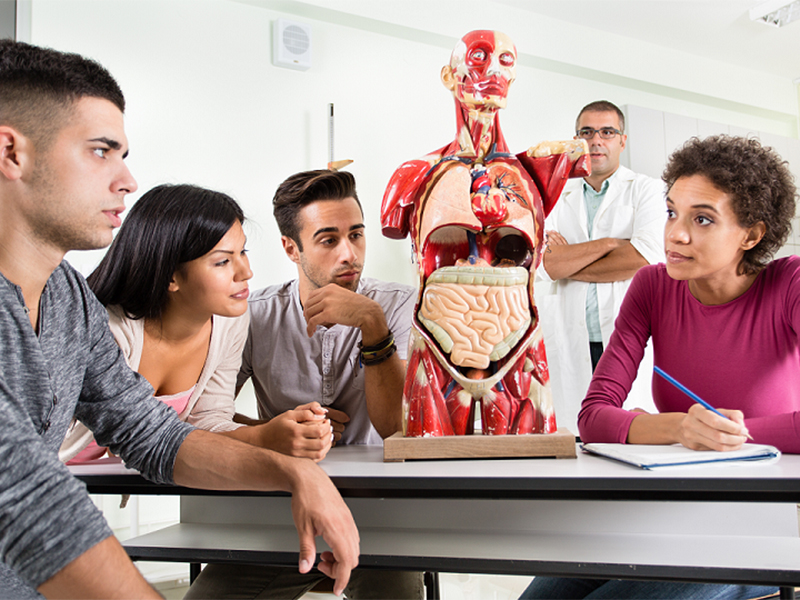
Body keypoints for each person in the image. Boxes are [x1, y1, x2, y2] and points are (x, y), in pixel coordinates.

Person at [0, 39, 358, 598]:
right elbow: (20, 493)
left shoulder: (69, 299)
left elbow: (149, 431)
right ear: (11, 152)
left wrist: (294, 471)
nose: (127, 180)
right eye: (102, 151)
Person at [521, 134, 794, 599]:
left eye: (703, 219)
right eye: (671, 212)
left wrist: (732, 436)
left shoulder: (790, 284)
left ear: (751, 235)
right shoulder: (652, 285)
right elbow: (594, 416)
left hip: (759, 523)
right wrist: (680, 428)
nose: (675, 234)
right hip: (663, 512)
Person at [185, 169, 422, 599]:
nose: (349, 254)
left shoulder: (398, 304)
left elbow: (396, 427)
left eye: (357, 235)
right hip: (279, 512)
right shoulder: (252, 313)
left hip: (379, 515)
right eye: (329, 240)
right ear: (291, 248)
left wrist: (372, 324)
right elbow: (204, 413)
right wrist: (279, 431)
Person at [59, 183, 334, 463]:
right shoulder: (109, 332)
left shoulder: (229, 324)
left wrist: (275, 433)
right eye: (222, 262)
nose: (246, 272)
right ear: (171, 276)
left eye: (243, 252)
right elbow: (140, 437)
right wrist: (261, 437)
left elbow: (207, 422)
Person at [535, 100, 666, 431]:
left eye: (607, 132)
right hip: (567, 334)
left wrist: (568, 261)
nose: (596, 140)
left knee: (624, 434)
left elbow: (644, 258)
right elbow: (541, 265)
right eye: (587, 132)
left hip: (624, 336)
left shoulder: (648, 190)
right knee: (574, 436)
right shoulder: (551, 195)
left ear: (623, 140)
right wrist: (612, 244)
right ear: (577, 139)